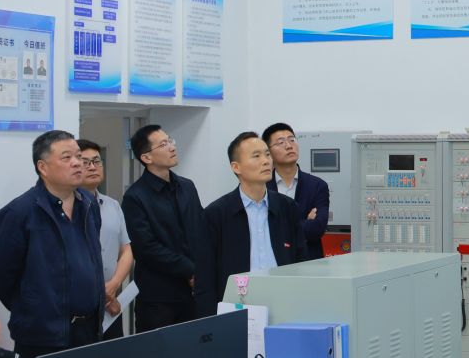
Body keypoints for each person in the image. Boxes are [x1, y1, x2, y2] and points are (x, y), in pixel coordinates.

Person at [0, 130, 103, 358]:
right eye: (67, 157)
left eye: (78, 156)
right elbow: (1, 276)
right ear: (43, 167)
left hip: (89, 331)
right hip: (43, 336)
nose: (78, 163)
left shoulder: (88, 203)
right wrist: (34, 307)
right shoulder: (19, 213)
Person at [198, 132, 315, 316]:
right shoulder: (216, 214)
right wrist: (211, 321)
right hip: (236, 307)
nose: (266, 161)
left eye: (267, 154)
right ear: (236, 167)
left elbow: (301, 262)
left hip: (284, 303)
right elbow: (205, 278)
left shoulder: (287, 207)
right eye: (256, 156)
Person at [120, 125, 210, 332]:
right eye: (163, 144)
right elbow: (146, 248)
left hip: (195, 291)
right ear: (146, 158)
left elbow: (201, 228)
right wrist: (189, 270)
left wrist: (202, 269)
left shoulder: (187, 186)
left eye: (170, 140)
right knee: (159, 351)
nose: (172, 147)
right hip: (159, 298)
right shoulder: (135, 197)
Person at [75, 139, 135, 337]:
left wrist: (113, 286)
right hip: (80, 308)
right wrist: (102, 294)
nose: (93, 167)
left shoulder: (112, 205)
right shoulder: (68, 209)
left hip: (111, 304)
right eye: (85, 162)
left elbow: (126, 250)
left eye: (97, 161)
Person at [263, 123, 331, 256]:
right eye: (281, 142)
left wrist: (278, 228)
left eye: (292, 140)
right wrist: (305, 223)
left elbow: (318, 228)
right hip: (273, 260)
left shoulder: (317, 185)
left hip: (309, 261)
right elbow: (259, 229)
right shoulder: (262, 186)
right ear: (268, 152)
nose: (289, 146)